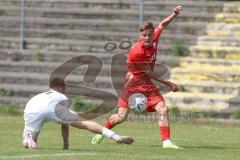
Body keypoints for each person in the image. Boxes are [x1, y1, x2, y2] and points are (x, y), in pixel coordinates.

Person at [92, 6, 183, 149]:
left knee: (163, 109)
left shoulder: (154, 39)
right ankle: (101, 132)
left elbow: (162, 25)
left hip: (146, 82)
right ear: (140, 36)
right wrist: (169, 83)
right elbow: (149, 73)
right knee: (121, 117)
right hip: (133, 83)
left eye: (149, 34)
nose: (146, 38)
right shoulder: (137, 51)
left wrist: (174, 14)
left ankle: (166, 142)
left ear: (153, 34)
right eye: (143, 35)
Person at [22, 77, 134, 149]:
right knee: (84, 123)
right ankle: (115, 136)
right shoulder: (61, 96)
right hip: (53, 107)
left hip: (31, 107)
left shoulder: (40, 95)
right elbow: (65, 124)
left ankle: (28, 139)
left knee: (29, 142)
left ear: (50, 88)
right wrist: (66, 144)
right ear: (61, 88)